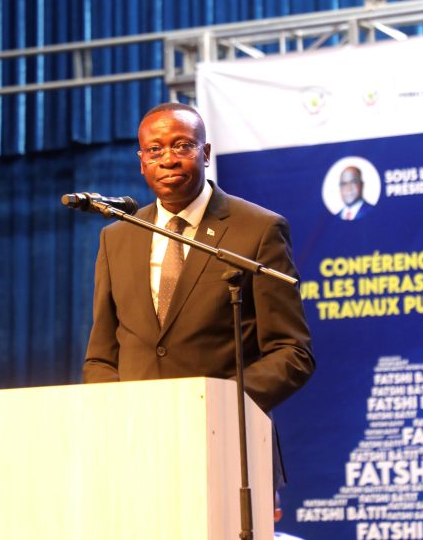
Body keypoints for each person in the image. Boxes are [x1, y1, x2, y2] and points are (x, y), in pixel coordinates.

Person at [83, 102, 316, 480]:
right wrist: (121, 410)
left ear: (205, 153)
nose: (168, 159)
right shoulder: (118, 236)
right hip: (136, 446)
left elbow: (292, 352)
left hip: (228, 443)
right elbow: (100, 357)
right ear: (142, 162)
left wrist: (217, 405)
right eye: (155, 150)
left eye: (182, 146)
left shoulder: (258, 229)